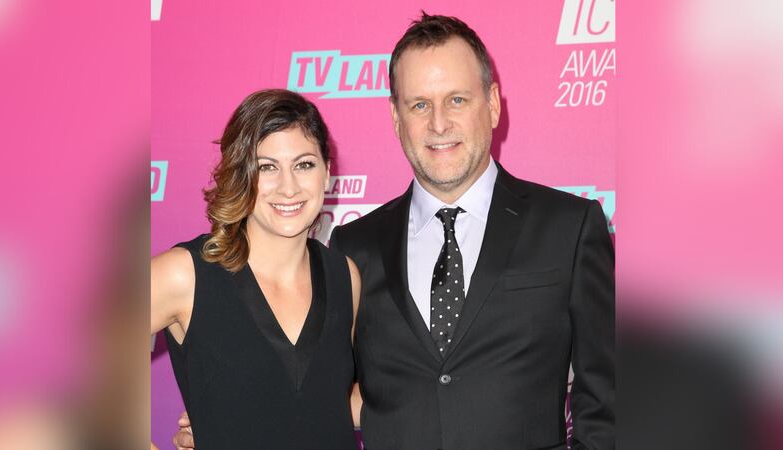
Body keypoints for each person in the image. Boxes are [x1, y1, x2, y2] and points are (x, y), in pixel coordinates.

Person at [175, 12, 614, 450]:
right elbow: (328, 395)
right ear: (395, 116)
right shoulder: (351, 251)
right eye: (419, 104)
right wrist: (231, 415)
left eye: (457, 100)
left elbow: (610, 400)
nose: (438, 124)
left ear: (494, 103)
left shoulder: (570, 227)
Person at [152, 89, 361, 449]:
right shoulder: (185, 274)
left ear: (327, 172)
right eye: (267, 167)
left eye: (304, 164)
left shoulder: (345, 276)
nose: (288, 187)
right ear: (240, 175)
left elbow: (330, 403)